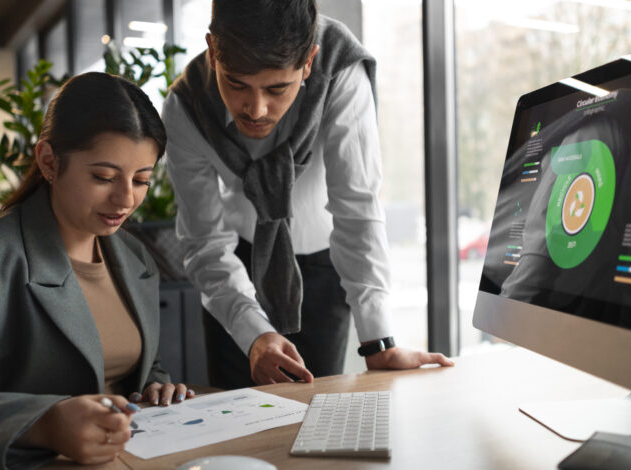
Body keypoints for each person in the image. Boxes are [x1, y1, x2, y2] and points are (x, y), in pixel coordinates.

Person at [163, 0, 453, 390]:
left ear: (309, 62)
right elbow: (204, 241)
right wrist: (252, 332)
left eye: (277, 88)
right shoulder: (185, 106)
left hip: (324, 263)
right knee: (236, 412)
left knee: (320, 407)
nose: (256, 109)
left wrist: (379, 342)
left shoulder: (341, 70)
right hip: (234, 266)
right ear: (213, 52)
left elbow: (357, 207)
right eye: (237, 84)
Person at [0, 72, 193, 469]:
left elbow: (140, 364)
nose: (125, 199)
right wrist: (43, 424)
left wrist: (156, 388)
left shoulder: (134, 257)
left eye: (141, 180)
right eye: (103, 177)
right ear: (49, 161)